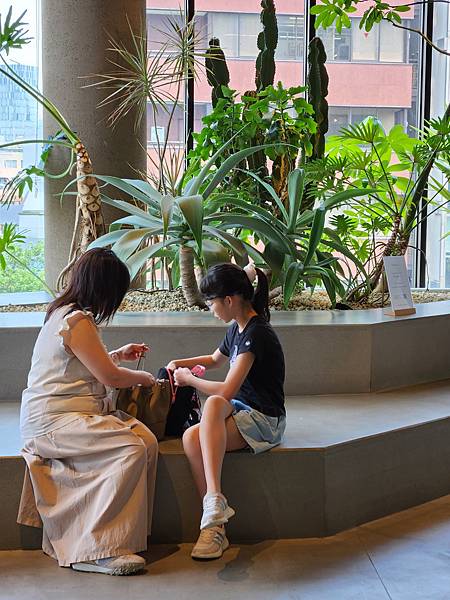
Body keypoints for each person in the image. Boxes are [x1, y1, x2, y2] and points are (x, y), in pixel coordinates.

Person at [17, 248, 158, 576]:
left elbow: (82, 363)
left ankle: (125, 536)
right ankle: (98, 550)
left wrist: (117, 355)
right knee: (130, 448)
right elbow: (111, 378)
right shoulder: (75, 320)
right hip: (53, 421)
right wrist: (144, 378)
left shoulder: (66, 313)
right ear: (105, 288)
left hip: (74, 413)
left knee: (147, 442)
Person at [168, 262, 286, 560]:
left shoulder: (257, 333)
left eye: (211, 303)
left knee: (215, 402)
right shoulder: (237, 328)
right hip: (242, 412)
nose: (211, 309)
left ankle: (213, 500)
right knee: (190, 438)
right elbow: (213, 359)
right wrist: (179, 362)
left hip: (265, 419)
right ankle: (215, 525)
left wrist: (189, 379)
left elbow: (226, 391)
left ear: (229, 300)